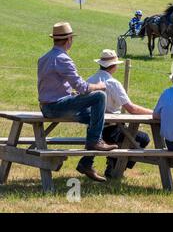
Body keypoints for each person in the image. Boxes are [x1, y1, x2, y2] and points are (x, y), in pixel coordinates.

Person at [38, 22, 118, 183]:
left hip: (47, 106)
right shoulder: (63, 59)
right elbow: (83, 88)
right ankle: (94, 145)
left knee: (96, 118)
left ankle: (86, 163)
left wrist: (70, 93)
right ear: (68, 40)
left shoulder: (44, 58)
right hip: (56, 107)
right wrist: (100, 86)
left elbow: (52, 85)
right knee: (99, 97)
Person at [85, 49, 153, 180]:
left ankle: (113, 163)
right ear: (114, 66)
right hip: (112, 130)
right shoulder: (113, 83)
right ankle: (116, 166)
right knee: (143, 139)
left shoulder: (90, 80)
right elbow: (131, 108)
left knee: (131, 137)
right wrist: (154, 112)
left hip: (92, 131)